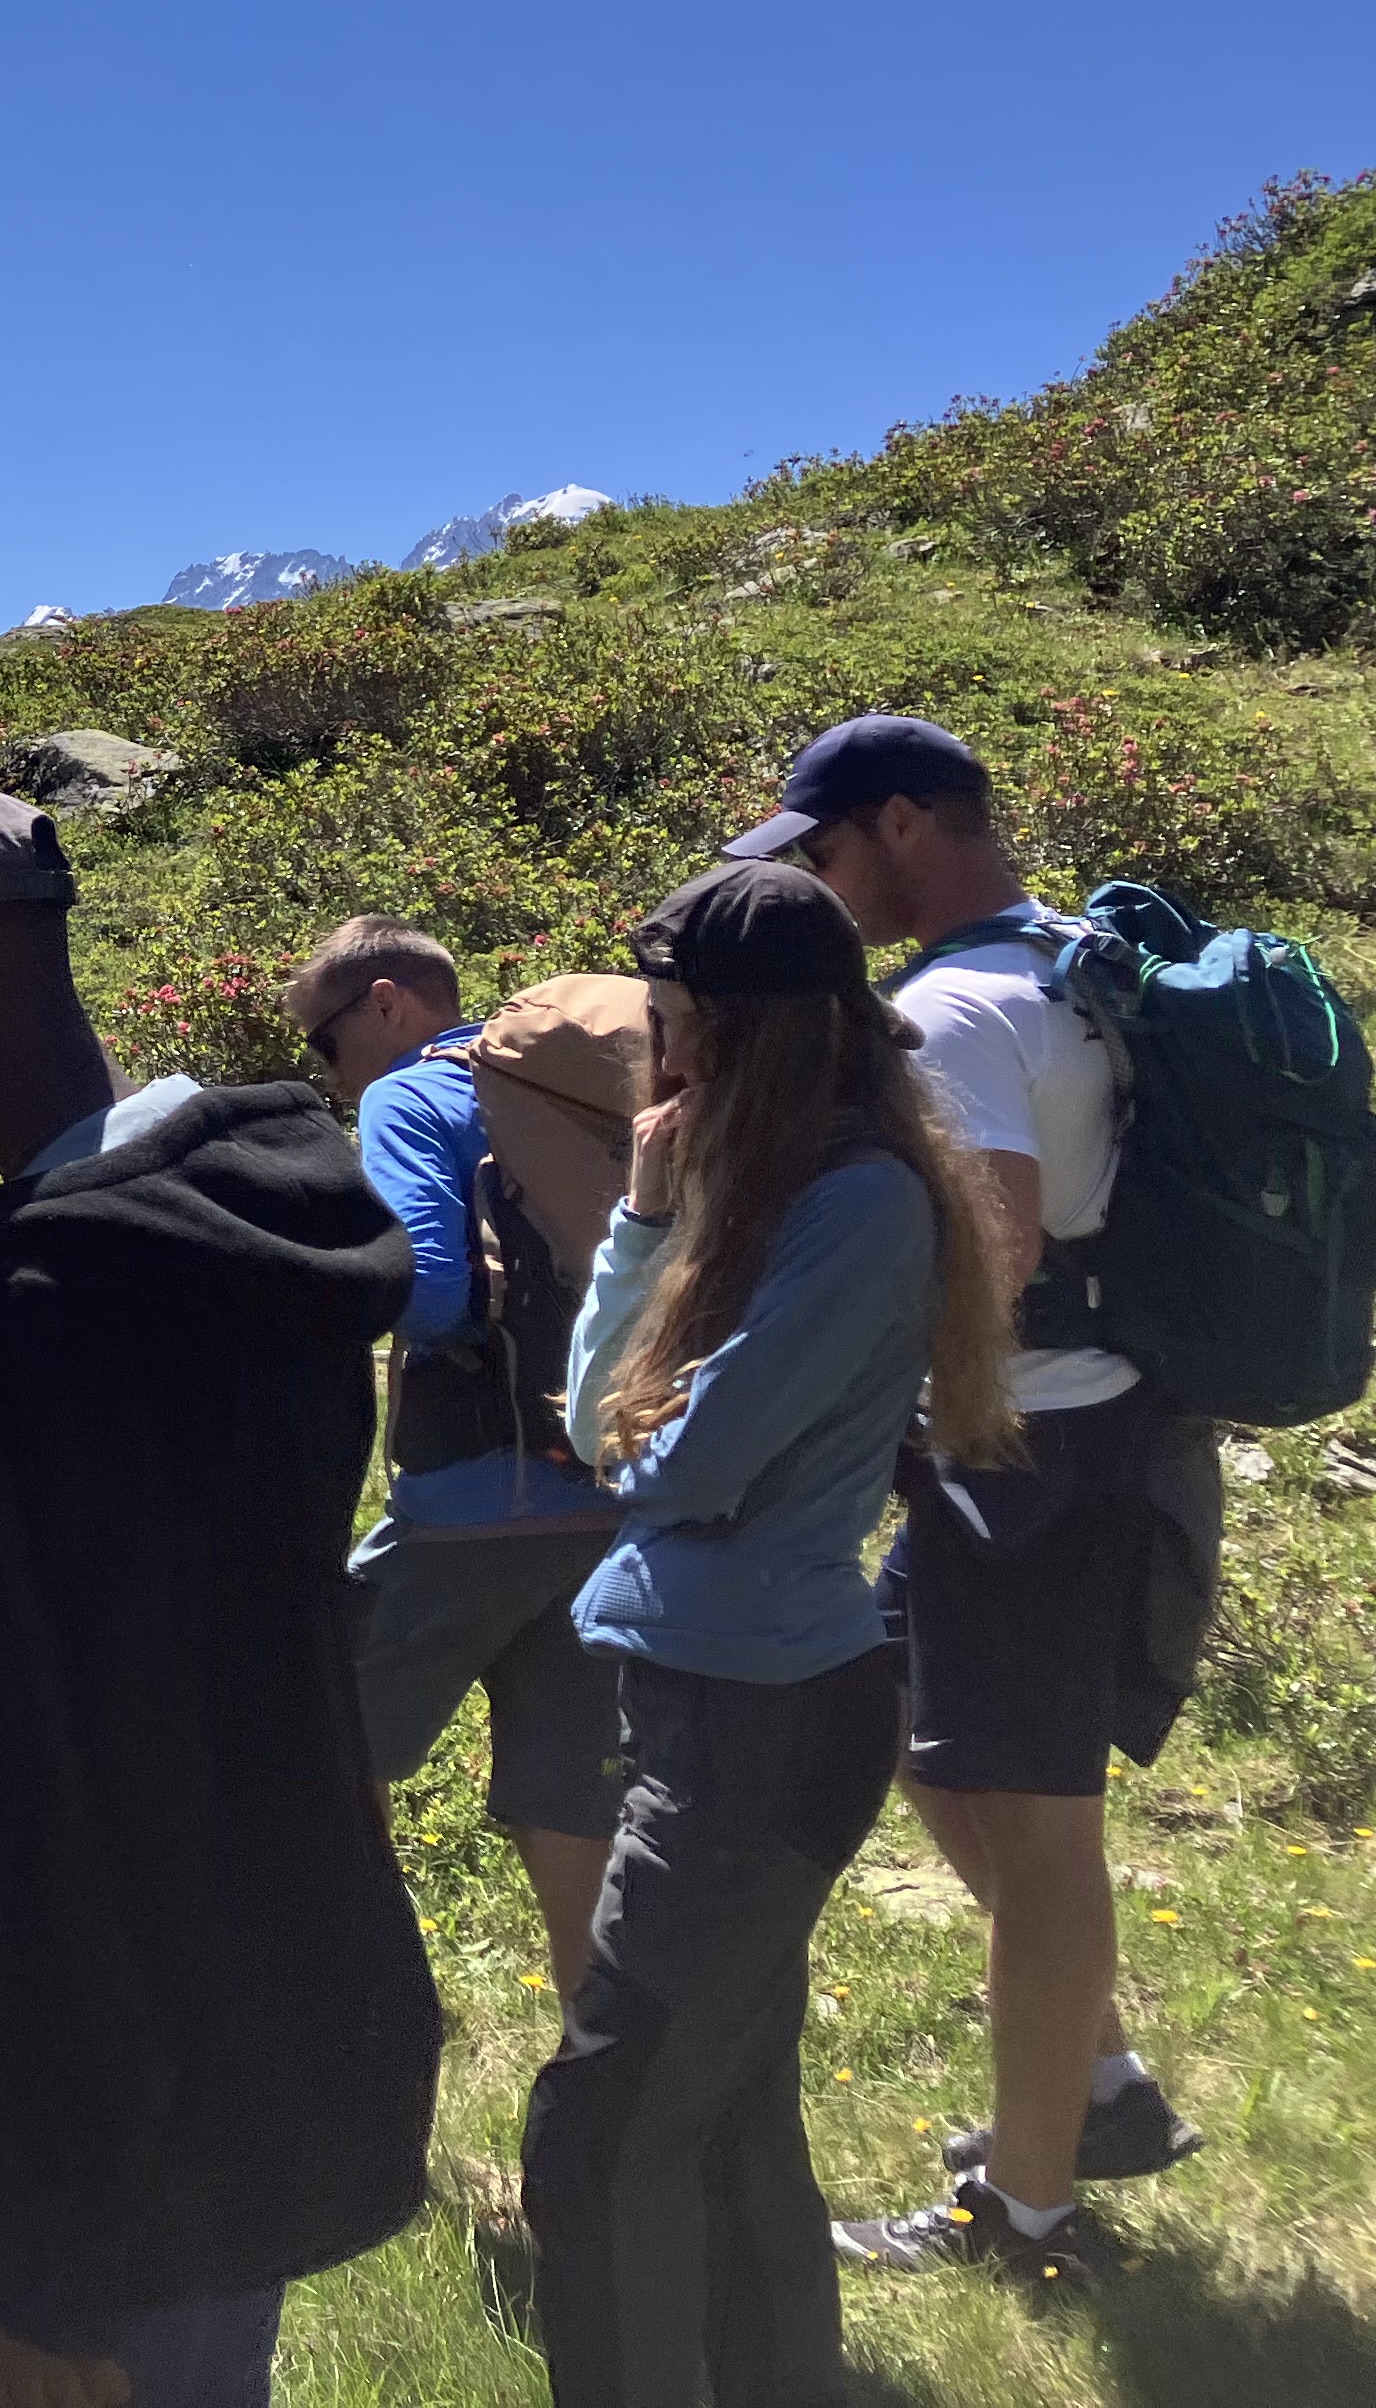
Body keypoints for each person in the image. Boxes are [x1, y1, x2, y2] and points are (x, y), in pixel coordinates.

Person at [0, 785, 440, 2408]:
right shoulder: (268, 1207)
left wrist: (46, 2272)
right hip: (238, 2039)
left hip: (78, 2158)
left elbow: (61, 1786)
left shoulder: (43, 1298)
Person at [521, 861, 1024, 2404]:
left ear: (732, 1036)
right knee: (725, 2116)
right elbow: (597, 1418)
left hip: (760, 1730)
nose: (652, 1061)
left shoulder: (860, 1204)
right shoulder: (774, 1194)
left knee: (599, 2135)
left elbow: (683, 1460)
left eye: (665, 1024)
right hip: (714, 1701)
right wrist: (640, 1214)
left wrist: (634, 1431)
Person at [729, 716, 1218, 2278]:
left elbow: (991, 1246)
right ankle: (1098, 2089)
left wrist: (841, 1394)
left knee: (1042, 1825)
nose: (816, 883)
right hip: (1095, 1432)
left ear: (895, 826)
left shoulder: (946, 1011)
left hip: (1021, 1459)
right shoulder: (1075, 961)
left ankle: (1025, 2211)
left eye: (820, 851)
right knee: (931, 1742)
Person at [284, 915, 625, 1999]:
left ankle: (350, 2018)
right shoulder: (578, 1092)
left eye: (322, 1044)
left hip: (471, 1503)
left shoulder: (411, 1097)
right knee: (573, 1809)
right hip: (612, 1491)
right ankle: (601, 2064)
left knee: (320, 1758)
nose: (329, 1077)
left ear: (385, 1004)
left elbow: (429, 1290)